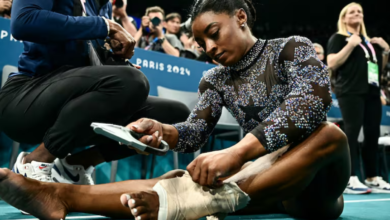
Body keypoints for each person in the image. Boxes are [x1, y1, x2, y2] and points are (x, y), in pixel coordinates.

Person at [0, 0, 350, 219]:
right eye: (201, 43)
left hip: (316, 188)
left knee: (330, 135)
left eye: (214, 33)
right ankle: (58, 194)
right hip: (260, 184)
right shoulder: (215, 79)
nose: (210, 48)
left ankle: (189, 203)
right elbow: (194, 132)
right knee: (178, 179)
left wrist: (238, 152)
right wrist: (164, 131)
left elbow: (311, 102)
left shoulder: (292, 48)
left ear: (240, 16)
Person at [0, 0, 190, 185]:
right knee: (131, 81)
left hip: (73, 108)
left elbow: (82, 59)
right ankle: (35, 161)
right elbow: (23, 21)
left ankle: (75, 166)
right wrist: (105, 25)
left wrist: (113, 62)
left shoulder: (101, 5)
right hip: (26, 98)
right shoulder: (103, 16)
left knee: (174, 115)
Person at [327, 2, 390, 194]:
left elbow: (377, 66)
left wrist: (386, 51)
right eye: (352, 12)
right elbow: (331, 62)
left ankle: (372, 177)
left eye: (360, 12)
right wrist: (350, 45)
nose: (357, 14)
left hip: (371, 91)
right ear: (344, 18)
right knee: (352, 134)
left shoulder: (369, 42)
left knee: (372, 134)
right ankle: (350, 178)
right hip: (350, 91)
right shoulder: (339, 38)